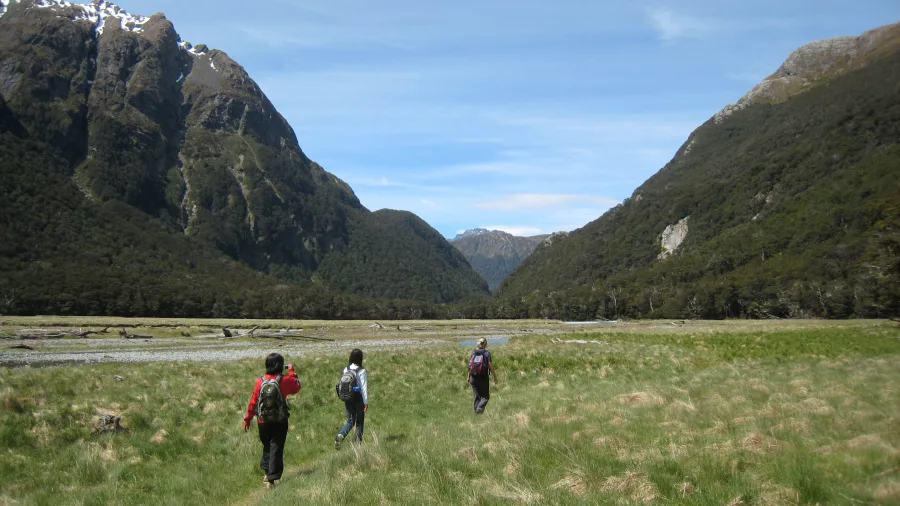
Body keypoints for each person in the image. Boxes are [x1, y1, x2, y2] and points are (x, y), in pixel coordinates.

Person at [244, 353, 301, 489]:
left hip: (262, 421)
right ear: (280, 366)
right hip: (279, 420)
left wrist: (248, 418)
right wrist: (292, 373)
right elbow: (297, 387)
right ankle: (271, 479)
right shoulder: (284, 380)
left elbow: (253, 401)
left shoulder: (260, 381)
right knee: (276, 446)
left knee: (267, 446)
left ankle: (267, 472)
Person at [335, 348, 368, 449]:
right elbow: (363, 387)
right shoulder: (361, 371)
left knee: (350, 421)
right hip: (358, 398)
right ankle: (358, 445)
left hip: (347, 397)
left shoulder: (346, 369)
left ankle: (341, 434)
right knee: (359, 422)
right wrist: (366, 402)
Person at [467, 337, 498, 414]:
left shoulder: (473, 352)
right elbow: (490, 365)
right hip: (483, 378)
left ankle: (477, 414)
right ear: (485, 344)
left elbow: (470, 366)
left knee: (476, 397)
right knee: (485, 396)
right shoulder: (486, 353)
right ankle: (479, 409)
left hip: (473, 378)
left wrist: (468, 377)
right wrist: (495, 376)